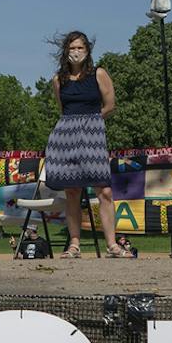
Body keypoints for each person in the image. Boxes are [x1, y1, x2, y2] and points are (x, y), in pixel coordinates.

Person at [43, 31, 129, 258]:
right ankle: (74, 244)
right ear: (65, 52)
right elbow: (62, 110)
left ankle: (112, 244)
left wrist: (91, 122)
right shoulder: (58, 80)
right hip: (65, 137)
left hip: (93, 136)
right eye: (72, 48)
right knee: (72, 191)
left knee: (105, 190)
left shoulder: (98, 74)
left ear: (87, 51)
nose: (76, 52)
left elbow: (110, 105)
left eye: (80, 48)